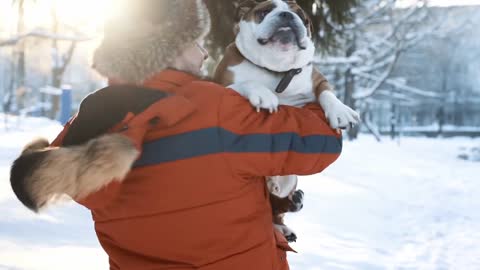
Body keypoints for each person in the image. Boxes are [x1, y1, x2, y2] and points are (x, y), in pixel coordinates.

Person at [10, 1, 343, 269]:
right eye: (197, 42)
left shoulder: (87, 123)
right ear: (170, 48)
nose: (206, 53)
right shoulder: (216, 109)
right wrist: (307, 84)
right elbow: (322, 142)